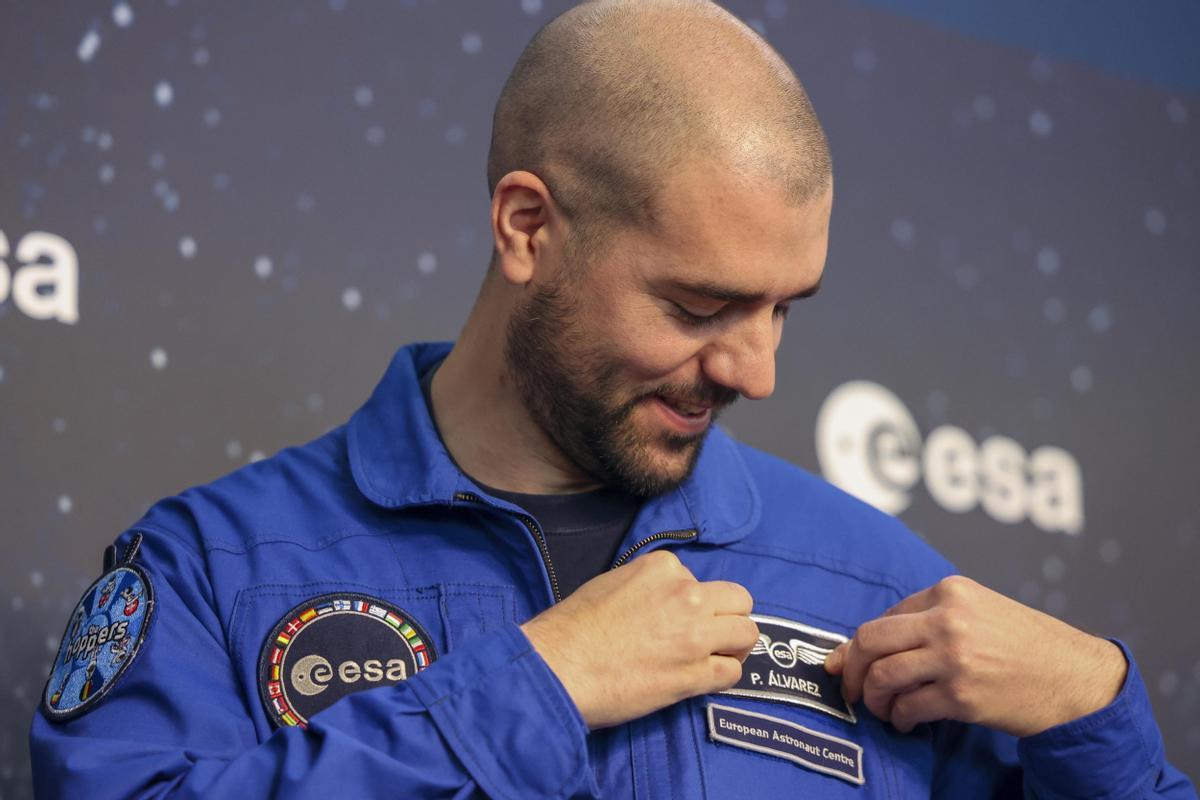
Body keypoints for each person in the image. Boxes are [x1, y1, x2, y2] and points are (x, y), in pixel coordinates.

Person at [30, 1, 1195, 797]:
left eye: (785, 308)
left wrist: (1099, 717)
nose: (755, 372)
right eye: (699, 306)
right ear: (527, 226)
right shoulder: (213, 569)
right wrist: (532, 689)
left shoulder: (881, 593)